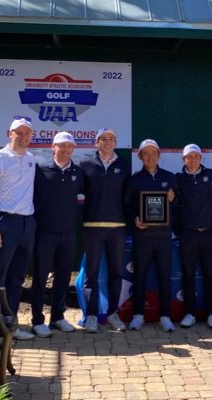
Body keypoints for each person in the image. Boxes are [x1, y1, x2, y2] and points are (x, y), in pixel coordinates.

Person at [31, 132, 84, 337]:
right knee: (40, 278)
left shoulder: (78, 172)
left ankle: (58, 318)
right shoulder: (40, 170)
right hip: (44, 234)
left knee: (63, 277)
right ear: (53, 147)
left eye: (69, 146)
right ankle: (37, 320)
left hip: (68, 234)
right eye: (61, 146)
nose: (65, 149)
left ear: (74, 149)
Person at [0, 116, 37, 344]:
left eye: (28, 133)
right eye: (19, 132)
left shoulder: (30, 159)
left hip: (27, 223)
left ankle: (10, 324)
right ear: (10, 132)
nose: (24, 137)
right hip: (3, 222)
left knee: (17, 277)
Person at [80, 128, 130, 333]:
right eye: (104, 139)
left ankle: (112, 313)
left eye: (112, 139)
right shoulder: (85, 164)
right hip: (92, 228)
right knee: (91, 274)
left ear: (115, 142)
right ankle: (91, 315)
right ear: (96, 143)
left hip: (117, 229)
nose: (108, 142)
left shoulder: (123, 165)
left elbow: (129, 198)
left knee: (116, 274)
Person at [125, 139, 177, 332]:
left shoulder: (170, 178)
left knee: (164, 276)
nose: (150, 157)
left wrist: (173, 199)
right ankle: (138, 315)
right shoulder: (134, 179)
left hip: (163, 236)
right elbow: (127, 205)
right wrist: (135, 219)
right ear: (140, 157)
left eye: (153, 153)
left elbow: (178, 204)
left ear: (159, 155)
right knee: (140, 276)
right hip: (143, 236)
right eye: (145, 153)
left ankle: (165, 315)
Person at [175, 144, 212, 329]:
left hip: (210, 234)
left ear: (201, 158)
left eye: (196, 156)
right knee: (188, 275)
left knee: (211, 274)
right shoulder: (177, 179)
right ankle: (190, 313)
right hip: (188, 235)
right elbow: (173, 204)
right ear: (184, 159)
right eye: (189, 157)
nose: (193, 159)